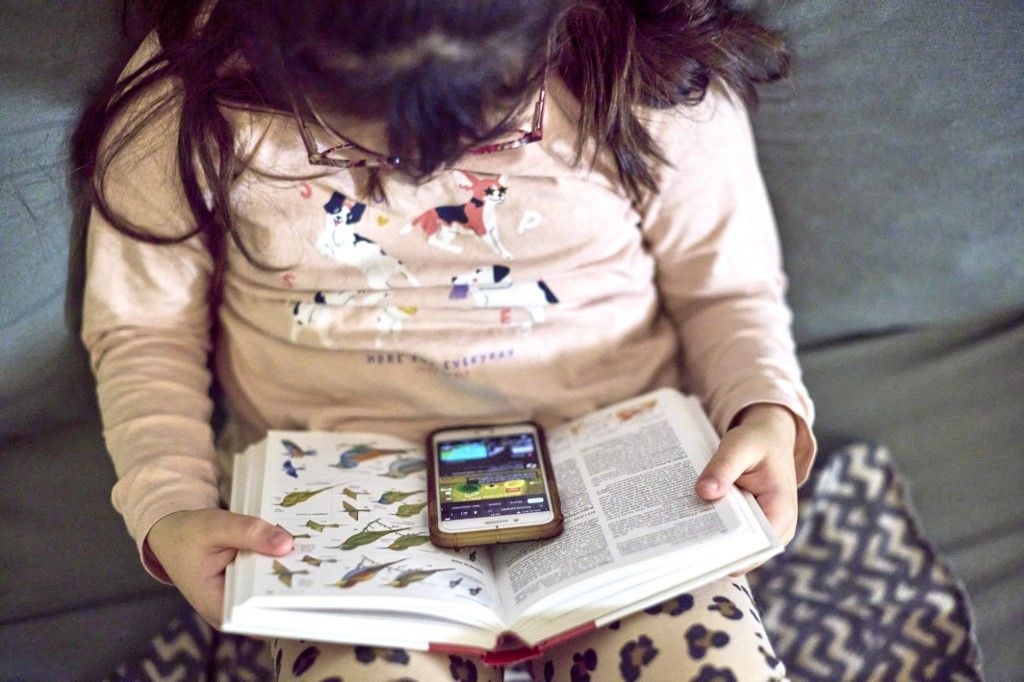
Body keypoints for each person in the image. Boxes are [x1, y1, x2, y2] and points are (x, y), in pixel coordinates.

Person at [78, 1, 816, 679]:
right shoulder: (187, 102)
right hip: (341, 502)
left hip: (611, 469)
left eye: (487, 131)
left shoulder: (650, 78)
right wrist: (169, 506)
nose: (413, 177)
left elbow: (726, 288)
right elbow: (142, 328)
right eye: (356, 143)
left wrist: (764, 410)